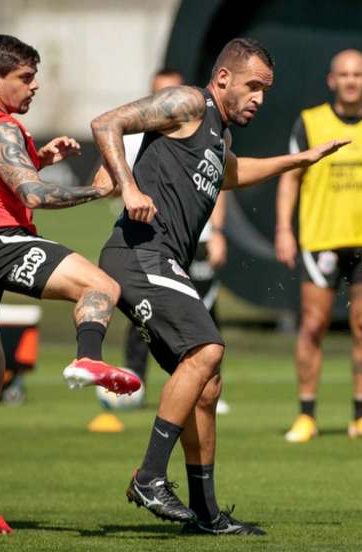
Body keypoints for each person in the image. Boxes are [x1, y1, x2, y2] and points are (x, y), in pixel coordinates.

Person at [90, 38, 348, 535]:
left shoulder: (217, 136)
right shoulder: (188, 103)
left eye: (266, 91)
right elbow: (107, 123)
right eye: (253, 86)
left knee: (206, 385)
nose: (259, 98)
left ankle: (205, 516)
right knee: (208, 348)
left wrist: (297, 161)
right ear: (224, 78)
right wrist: (128, 185)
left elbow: (229, 174)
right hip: (139, 254)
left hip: (158, 260)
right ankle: (148, 476)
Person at [0, 35, 140, 534]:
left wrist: (38, 156)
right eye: (26, 78)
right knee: (100, 287)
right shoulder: (2, 124)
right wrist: (101, 188)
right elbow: (31, 196)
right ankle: (86, 355)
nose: (34, 87)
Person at [275, 49, 362, 444]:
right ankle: (306, 414)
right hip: (320, 238)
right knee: (313, 326)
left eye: (358, 74)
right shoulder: (310, 122)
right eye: (344, 74)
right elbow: (289, 177)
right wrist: (283, 230)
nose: (351, 80)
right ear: (331, 80)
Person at [119, 69, 231, 415]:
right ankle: (135, 382)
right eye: (160, 93)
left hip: (197, 237)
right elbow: (110, 171)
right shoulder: (136, 134)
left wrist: (219, 233)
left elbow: (219, 182)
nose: (169, 100)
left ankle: (208, 385)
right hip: (151, 238)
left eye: (174, 91)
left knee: (204, 311)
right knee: (146, 314)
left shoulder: (205, 127)